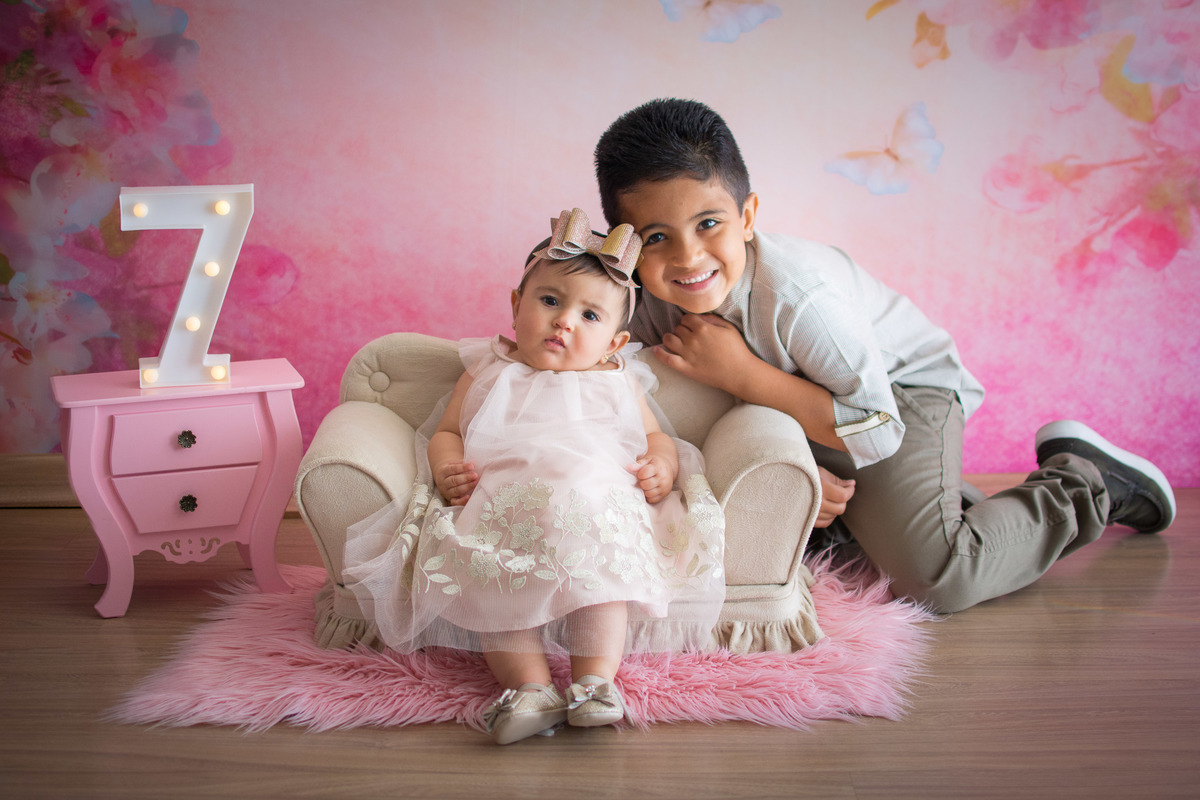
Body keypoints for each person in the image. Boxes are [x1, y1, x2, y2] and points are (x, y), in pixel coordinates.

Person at [592, 97, 1176, 615]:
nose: (688, 257)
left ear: (746, 217)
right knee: (792, 536)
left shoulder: (801, 300)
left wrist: (742, 374)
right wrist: (794, 462)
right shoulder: (637, 298)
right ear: (627, 245)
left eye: (708, 223)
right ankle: (924, 507)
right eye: (657, 237)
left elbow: (877, 430)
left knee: (935, 576)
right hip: (806, 411)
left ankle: (1086, 482)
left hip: (899, 396)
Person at [342, 208, 725, 744]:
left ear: (614, 344)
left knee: (602, 580)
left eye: (589, 315)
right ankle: (529, 689)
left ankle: (595, 682)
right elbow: (447, 432)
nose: (565, 321)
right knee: (489, 581)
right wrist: (447, 467)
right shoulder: (490, 369)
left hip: (593, 503)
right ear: (516, 305)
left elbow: (655, 438)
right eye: (549, 301)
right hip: (506, 505)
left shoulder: (616, 380)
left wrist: (662, 465)